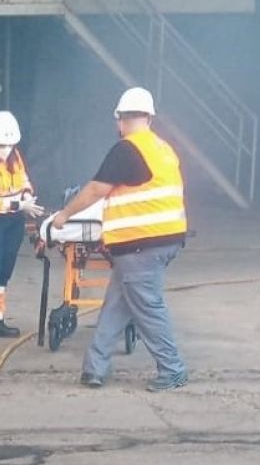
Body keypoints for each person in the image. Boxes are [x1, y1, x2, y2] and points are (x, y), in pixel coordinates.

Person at [52, 87, 188, 392]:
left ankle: (173, 368)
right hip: (163, 239)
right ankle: (95, 367)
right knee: (116, 303)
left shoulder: (128, 149)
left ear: (120, 120)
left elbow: (95, 190)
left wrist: (62, 216)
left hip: (143, 243)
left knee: (149, 308)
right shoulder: (163, 148)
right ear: (150, 117)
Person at [0, 111, 44, 343]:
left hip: (14, 223)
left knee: (4, 270)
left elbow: (24, 181)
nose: (6, 149)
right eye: (2, 145)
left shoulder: (16, 157)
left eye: (10, 145)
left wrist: (27, 196)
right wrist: (20, 205)